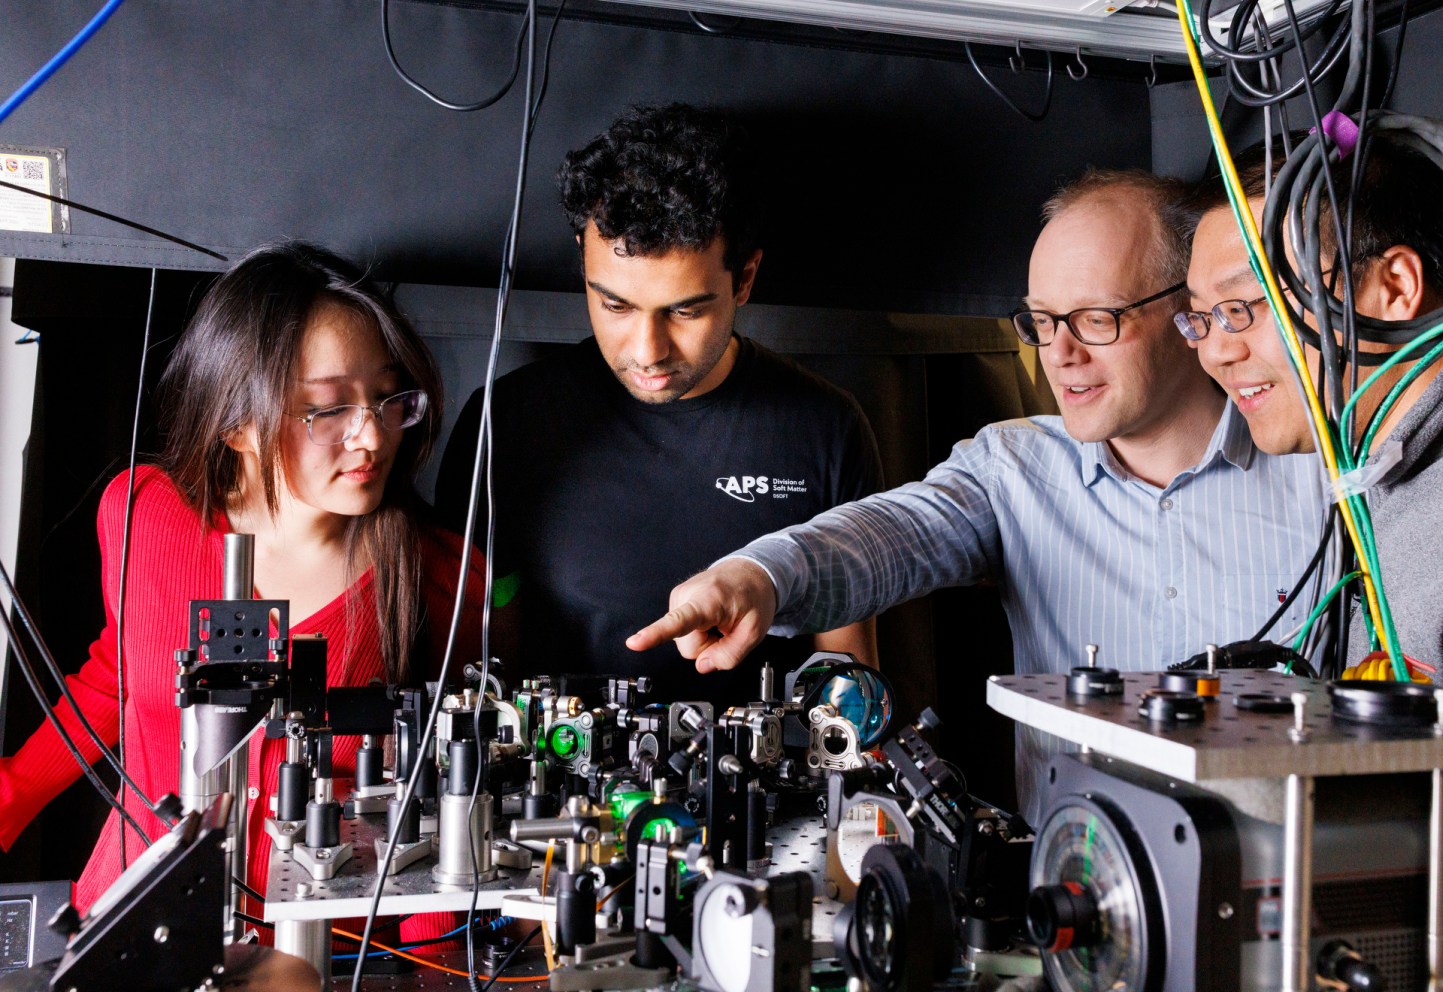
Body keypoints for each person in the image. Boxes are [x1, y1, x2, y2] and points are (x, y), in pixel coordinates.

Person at [628, 168, 1328, 816]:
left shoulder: (1326, 481)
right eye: (1043, 322)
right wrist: (759, 576)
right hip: (1079, 907)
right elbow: (890, 536)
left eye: (1096, 319)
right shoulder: (1014, 468)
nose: (1061, 353)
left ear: (1189, 316)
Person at [0, 242, 485, 919]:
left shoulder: (442, 572)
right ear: (235, 423)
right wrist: (7, 800)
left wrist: (423, 967)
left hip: (318, 958)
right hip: (126, 920)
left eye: (387, 399)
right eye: (329, 410)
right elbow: (113, 683)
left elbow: (445, 794)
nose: (372, 437)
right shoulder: (142, 511)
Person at [435, 104, 882, 707]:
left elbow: (848, 684)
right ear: (583, 261)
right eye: (615, 306)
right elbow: (474, 676)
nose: (647, 351)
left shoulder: (827, 429)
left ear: (744, 278)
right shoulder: (508, 422)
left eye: (685, 311)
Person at [1180, 132, 1443, 705]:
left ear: (1393, 287)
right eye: (1201, 319)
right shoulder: (1377, 466)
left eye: (1245, 307)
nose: (1216, 351)